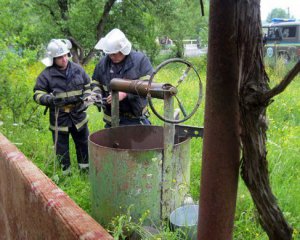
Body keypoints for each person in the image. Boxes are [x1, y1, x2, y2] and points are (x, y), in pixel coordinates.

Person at [33, 39, 91, 175]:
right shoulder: (46, 75)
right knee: (61, 149)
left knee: (84, 145)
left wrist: (87, 98)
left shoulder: (78, 70)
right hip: (59, 118)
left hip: (79, 116)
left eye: (65, 55)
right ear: (53, 58)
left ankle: (86, 172)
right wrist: (49, 99)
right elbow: (37, 94)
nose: (64, 59)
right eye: (60, 57)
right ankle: (66, 175)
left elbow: (88, 86)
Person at [91, 28, 154, 128]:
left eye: (114, 54)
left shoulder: (140, 61)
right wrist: (96, 94)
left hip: (135, 119)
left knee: (139, 144)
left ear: (123, 50)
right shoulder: (102, 64)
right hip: (111, 120)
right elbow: (95, 82)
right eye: (109, 54)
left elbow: (147, 86)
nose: (111, 56)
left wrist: (125, 93)